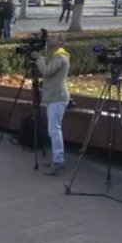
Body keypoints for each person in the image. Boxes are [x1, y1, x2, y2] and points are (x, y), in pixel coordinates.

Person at [31, 33, 71, 176]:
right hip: (53, 97)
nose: (49, 39)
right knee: (52, 130)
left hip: (58, 98)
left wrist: (39, 58)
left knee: (55, 130)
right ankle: (56, 158)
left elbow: (46, 72)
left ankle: (59, 161)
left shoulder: (61, 57)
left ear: (60, 42)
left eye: (53, 38)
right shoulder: (53, 55)